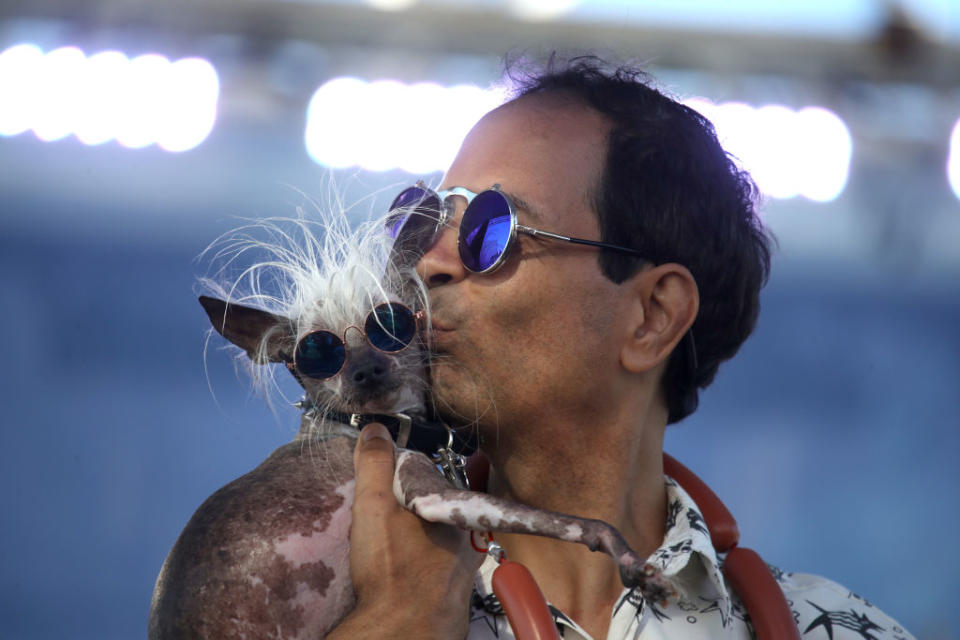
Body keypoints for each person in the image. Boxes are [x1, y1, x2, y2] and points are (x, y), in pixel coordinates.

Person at [329, 57, 916, 639]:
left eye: (490, 227)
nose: (428, 262)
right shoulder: (313, 588)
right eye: (424, 218)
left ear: (652, 317)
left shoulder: (843, 630)